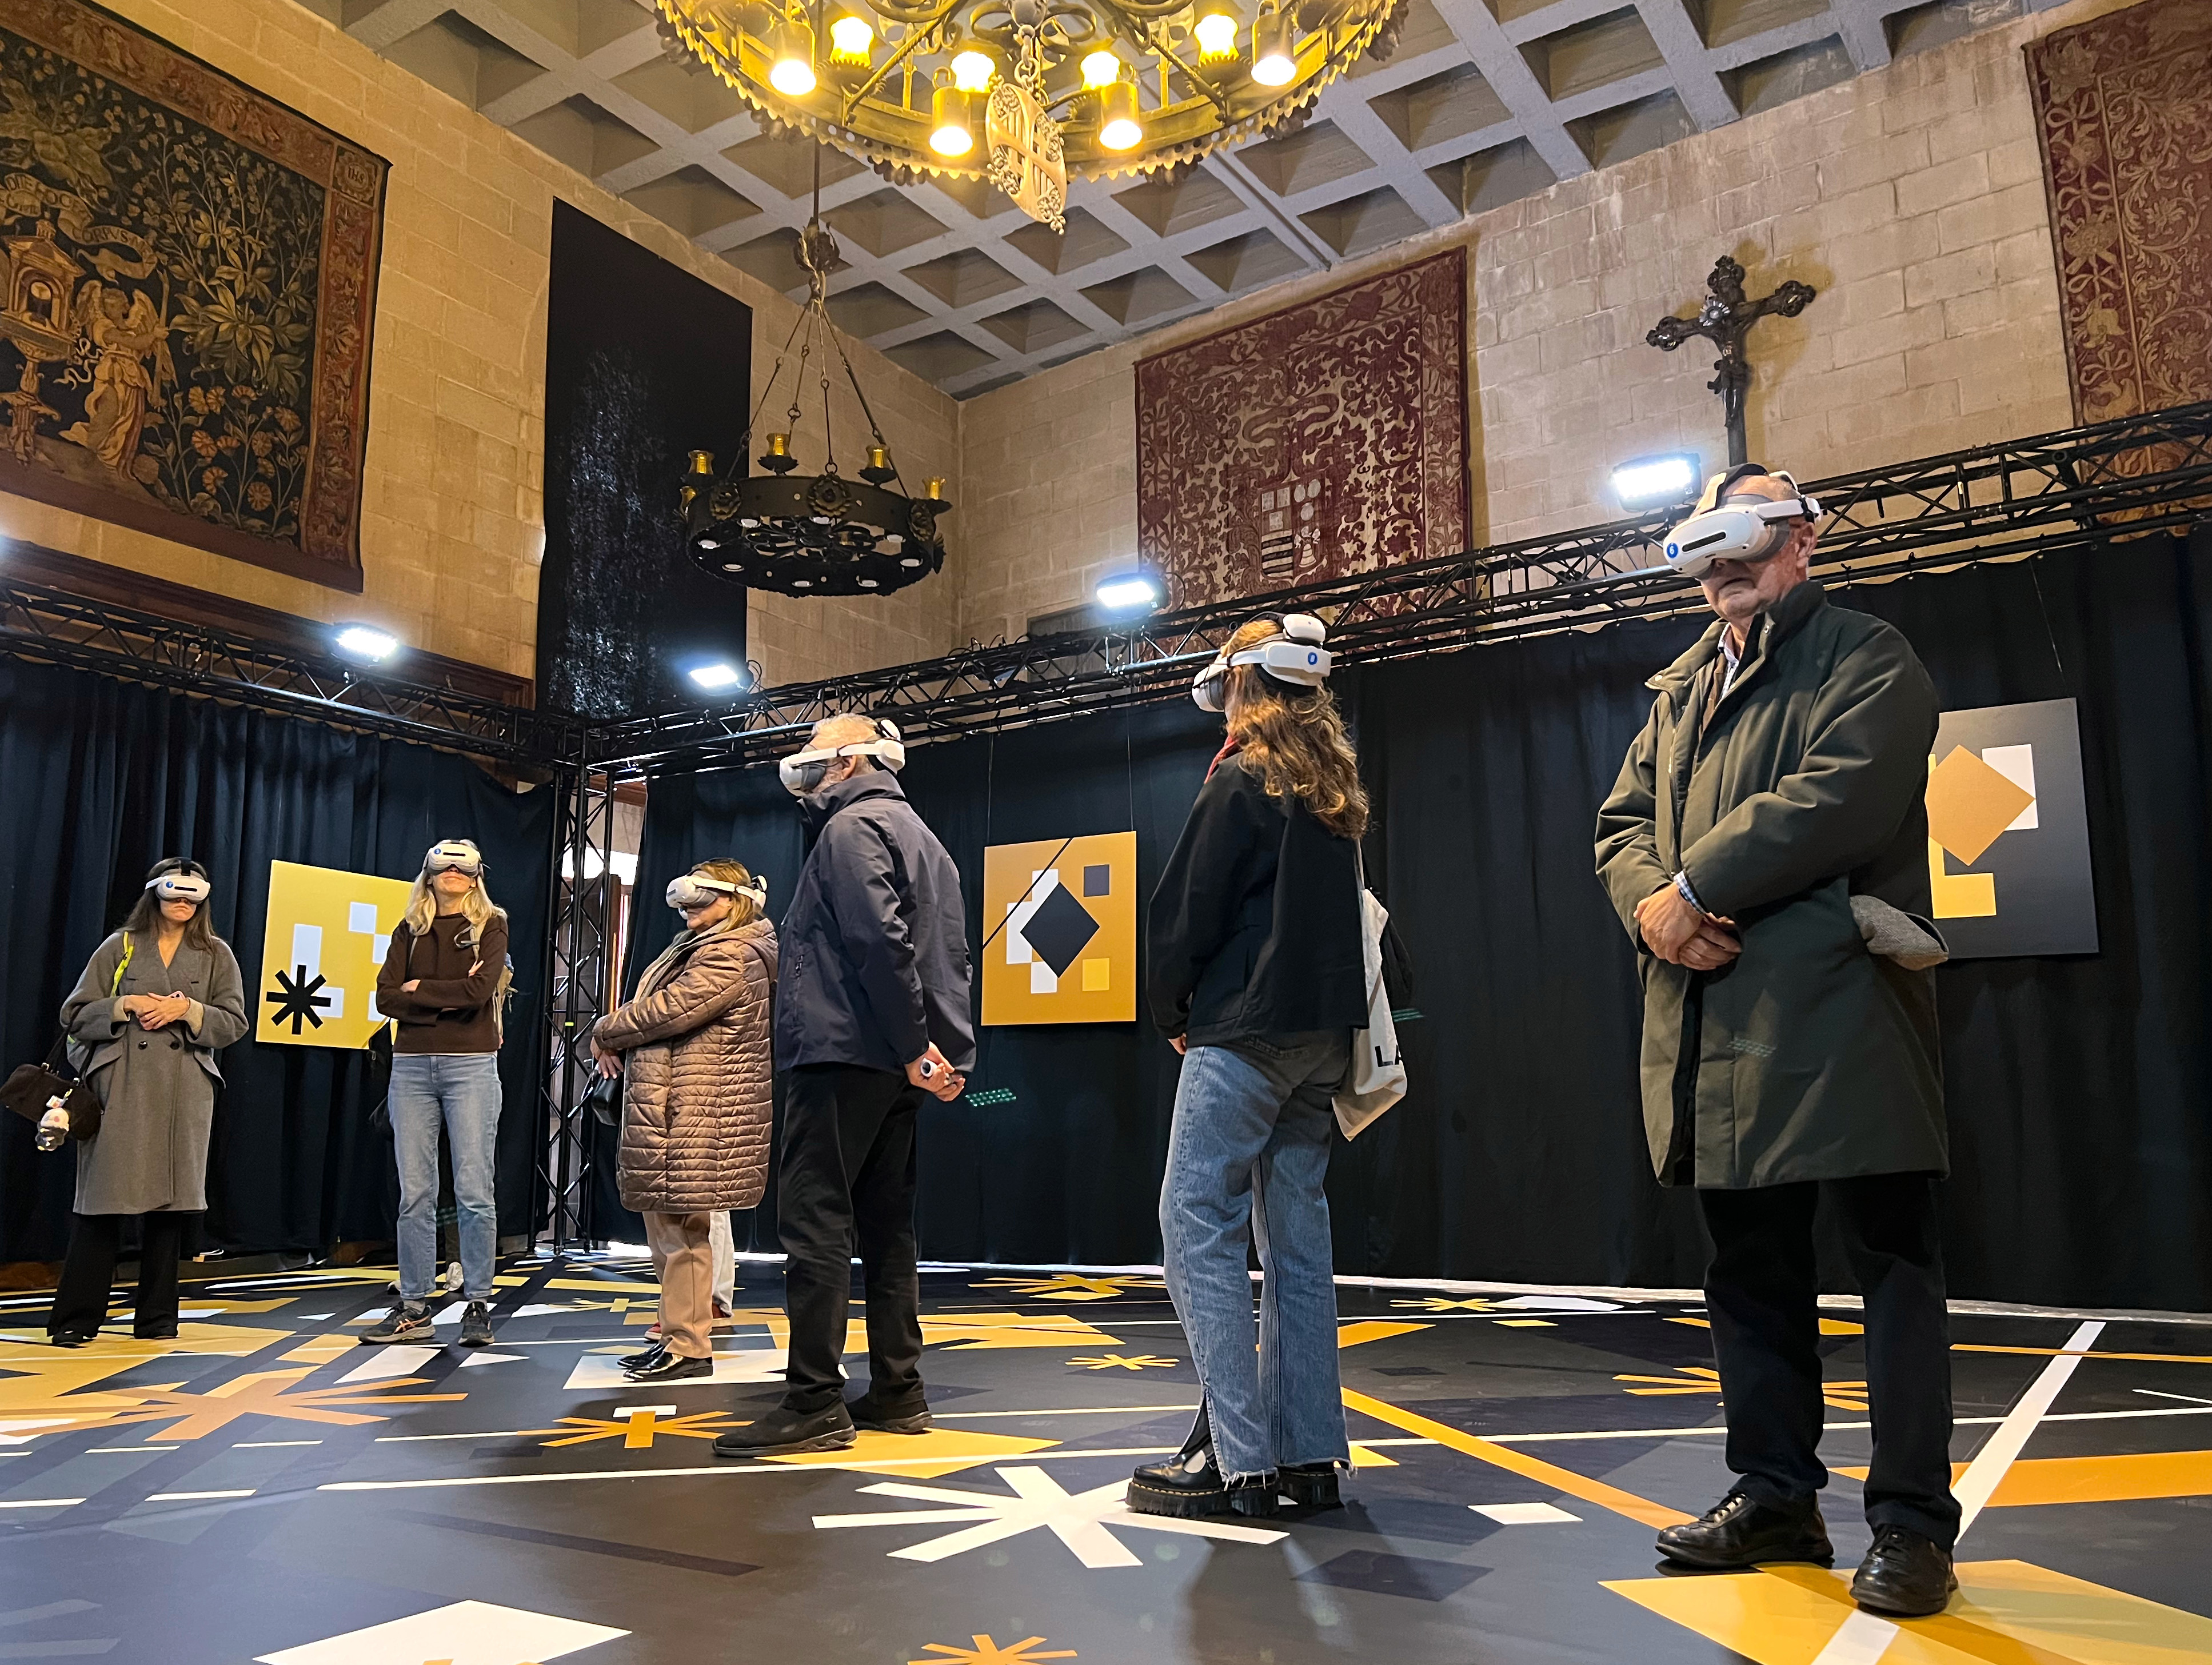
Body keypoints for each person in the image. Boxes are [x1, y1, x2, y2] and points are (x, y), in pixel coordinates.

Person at [1594, 465, 1958, 1618]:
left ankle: (1909, 1522)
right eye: (1705, 544)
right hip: (1717, 1020)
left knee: (1890, 1263)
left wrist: (1694, 884)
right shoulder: (1678, 691)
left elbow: (1840, 793)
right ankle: (1775, 1495)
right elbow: (1620, 824)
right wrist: (1657, 900)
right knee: (1749, 1269)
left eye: (1748, 532)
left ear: (1803, 540)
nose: (1723, 561)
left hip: (1840, 1007)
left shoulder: (1866, 651)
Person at [1130, 614, 1369, 1520]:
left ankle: (1237, 1461)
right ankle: (1308, 1455)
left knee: (1194, 1221)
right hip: (1322, 1040)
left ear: (1244, 687)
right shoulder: (1335, 789)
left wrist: (1174, 1012)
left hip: (1245, 1030)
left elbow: (1185, 911)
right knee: (1297, 1243)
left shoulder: (1240, 777)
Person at [714, 714, 972, 1458]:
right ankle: (899, 1390)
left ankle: (814, 1401)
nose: (803, 764)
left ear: (849, 759)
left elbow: (876, 943)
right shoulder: (927, 839)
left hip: (843, 1052)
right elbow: (949, 957)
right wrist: (939, 1053)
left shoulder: (850, 829)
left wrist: (909, 1042)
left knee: (817, 1221)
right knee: (888, 1225)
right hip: (895, 1064)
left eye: (816, 750)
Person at [46, 859, 247, 1346]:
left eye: (193, 895)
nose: (184, 902)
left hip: (185, 1090)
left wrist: (189, 1009)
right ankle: (77, 1317)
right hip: (123, 1084)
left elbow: (234, 1022)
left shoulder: (216, 953)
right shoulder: (120, 946)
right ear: (154, 893)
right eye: (174, 892)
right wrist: (125, 1005)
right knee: (102, 1203)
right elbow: (74, 1013)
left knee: (169, 1209)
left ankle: (157, 1319)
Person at [592, 861, 778, 1382]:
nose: (689, 913)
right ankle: (678, 1336)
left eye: (700, 902)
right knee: (671, 1230)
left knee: (683, 1231)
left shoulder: (733, 953)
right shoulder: (701, 945)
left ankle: (689, 1345)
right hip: (680, 1106)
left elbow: (668, 1010)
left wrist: (606, 1030)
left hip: (700, 1111)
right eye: (685, 905)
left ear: (734, 899)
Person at [365, 840, 510, 1349]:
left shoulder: (491, 924)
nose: (452, 872)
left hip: (471, 1064)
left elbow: (479, 994)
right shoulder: (409, 928)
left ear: (475, 877)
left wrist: (418, 990)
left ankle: (477, 1303)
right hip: (410, 1066)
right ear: (428, 873)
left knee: (474, 1189)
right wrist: (439, 995)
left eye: (462, 866)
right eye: (443, 865)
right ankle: (413, 1305)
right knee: (416, 1193)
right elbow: (385, 995)